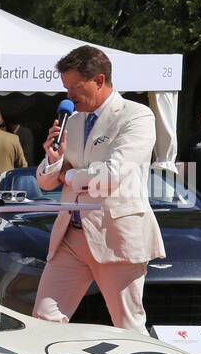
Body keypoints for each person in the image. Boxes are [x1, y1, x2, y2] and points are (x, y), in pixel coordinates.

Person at [33, 45, 164, 334]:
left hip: (115, 236)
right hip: (70, 237)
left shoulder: (137, 115)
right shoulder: (74, 120)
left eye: (74, 88)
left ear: (100, 80)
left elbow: (113, 175)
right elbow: (44, 182)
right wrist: (53, 159)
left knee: (128, 325)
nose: (68, 96)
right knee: (43, 319)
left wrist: (67, 175)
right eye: (65, 87)